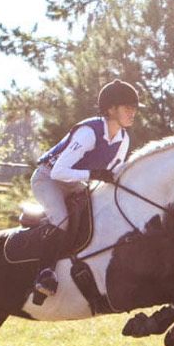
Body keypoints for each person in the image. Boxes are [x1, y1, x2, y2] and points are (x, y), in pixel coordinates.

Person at [29, 79, 141, 298]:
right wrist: (93, 175)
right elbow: (57, 173)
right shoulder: (89, 132)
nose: (133, 113)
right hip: (47, 179)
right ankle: (45, 274)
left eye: (134, 108)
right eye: (128, 108)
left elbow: (111, 172)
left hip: (76, 182)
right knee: (63, 218)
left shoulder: (123, 138)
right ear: (111, 109)